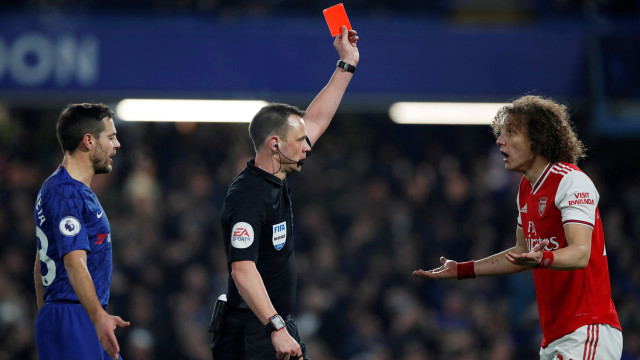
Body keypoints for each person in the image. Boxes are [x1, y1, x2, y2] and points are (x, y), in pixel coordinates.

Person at [413, 95, 622, 359]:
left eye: (511, 132)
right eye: (501, 133)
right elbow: (521, 254)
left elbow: (581, 253)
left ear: (538, 138)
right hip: (555, 337)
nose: (500, 141)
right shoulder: (526, 189)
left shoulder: (571, 181)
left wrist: (543, 257)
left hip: (588, 329)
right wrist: (463, 270)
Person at [212, 25, 359, 360]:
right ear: (275, 145)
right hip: (254, 334)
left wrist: (346, 64)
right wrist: (276, 327)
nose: (308, 148)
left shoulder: (274, 177)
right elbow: (242, 269)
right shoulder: (248, 195)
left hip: (271, 326)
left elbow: (316, 120)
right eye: (299, 141)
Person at [34, 103, 130, 360]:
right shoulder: (65, 191)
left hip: (76, 314)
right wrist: (91, 317)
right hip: (74, 315)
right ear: (88, 141)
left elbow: (39, 266)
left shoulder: (67, 188)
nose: (117, 144)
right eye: (111, 137)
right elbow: (75, 262)